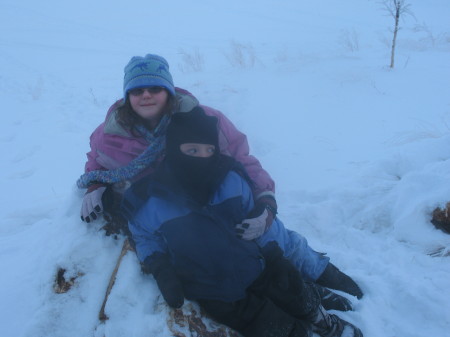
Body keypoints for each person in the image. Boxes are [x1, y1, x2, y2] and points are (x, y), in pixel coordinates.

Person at [77, 53, 363, 304]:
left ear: (168, 90)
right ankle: (279, 294)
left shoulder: (202, 119)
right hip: (172, 212)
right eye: (137, 89)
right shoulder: (110, 135)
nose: (146, 95)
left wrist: (266, 203)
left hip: (216, 194)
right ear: (127, 95)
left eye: (155, 88)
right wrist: (96, 185)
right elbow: (97, 162)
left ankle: (319, 271)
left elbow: (241, 158)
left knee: (270, 234)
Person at [121, 110, 363, 337]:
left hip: (255, 267)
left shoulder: (230, 180)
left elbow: (255, 221)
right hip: (215, 291)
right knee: (275, 327)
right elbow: (144, 235)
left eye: (208, 150)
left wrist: (273, 252)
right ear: (175, 150)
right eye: (192, 151)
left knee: (293, 291)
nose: (202, 158)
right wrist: (160, 268)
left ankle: (321, 319)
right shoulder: (152, 199)